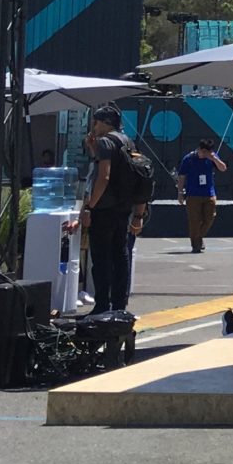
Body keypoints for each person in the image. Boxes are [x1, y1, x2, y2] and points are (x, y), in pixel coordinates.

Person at [78, 106, 146, 314]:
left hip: (104, 208)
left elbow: (104, 176)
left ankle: (101, 306)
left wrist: (90, 206)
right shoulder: (127, 141)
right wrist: (93, 151)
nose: (93, 127)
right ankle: (119, 305)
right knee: (120, 256)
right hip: (123, 207)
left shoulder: (105, 141)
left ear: (105, 123)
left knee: (101, 259)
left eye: (96, 122)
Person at [177, 138, 227, 253]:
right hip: (193, 194)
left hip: (209, 193)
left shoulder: (212, 157)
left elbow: (223, 168)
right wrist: (180, 193)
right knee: (194, 221)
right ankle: (196, 244)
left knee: (210, 217)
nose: (205, 155)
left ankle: (199, 237)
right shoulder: (189, 159)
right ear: (200, 149)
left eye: (208, 153)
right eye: (204, 152)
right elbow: (181, 176)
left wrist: (214, 159)